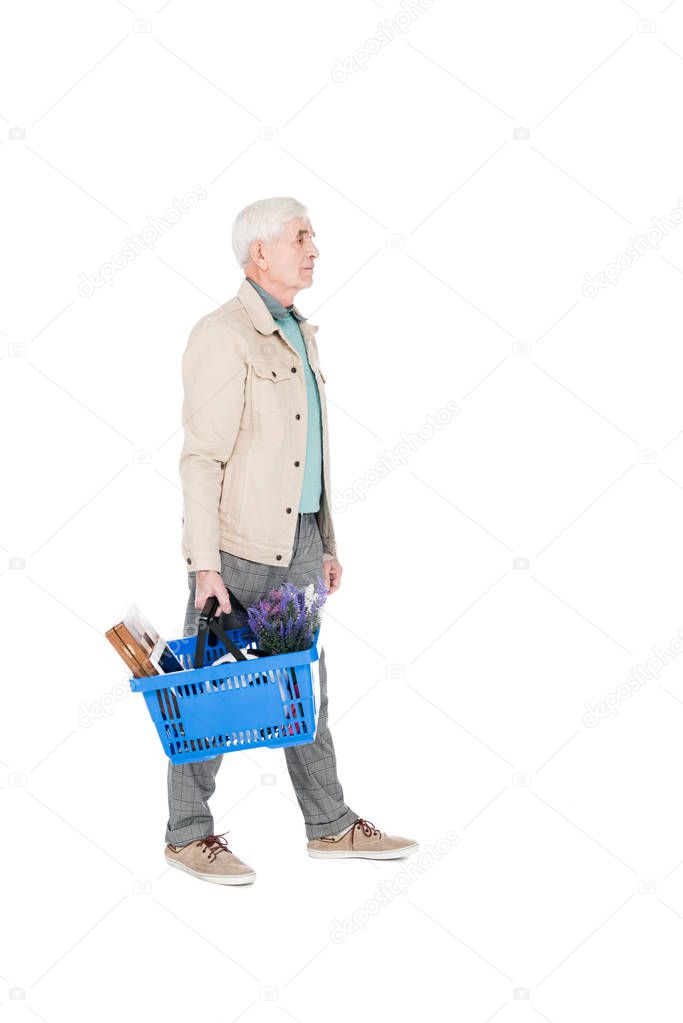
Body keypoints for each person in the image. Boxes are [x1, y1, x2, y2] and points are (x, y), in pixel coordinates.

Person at [164, 196, 418, 885]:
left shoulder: (298, 331)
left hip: (299, 543)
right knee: (209, 694)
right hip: (239, 549)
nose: (314, 248)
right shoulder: (223, 334)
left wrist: (325, 539)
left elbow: (309, 451)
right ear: (259, 254)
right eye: (301, 237)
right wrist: (204, 565)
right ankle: (188, 835)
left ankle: (329, 825)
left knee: (300, 691)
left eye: (312, 236)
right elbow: (201, 459)